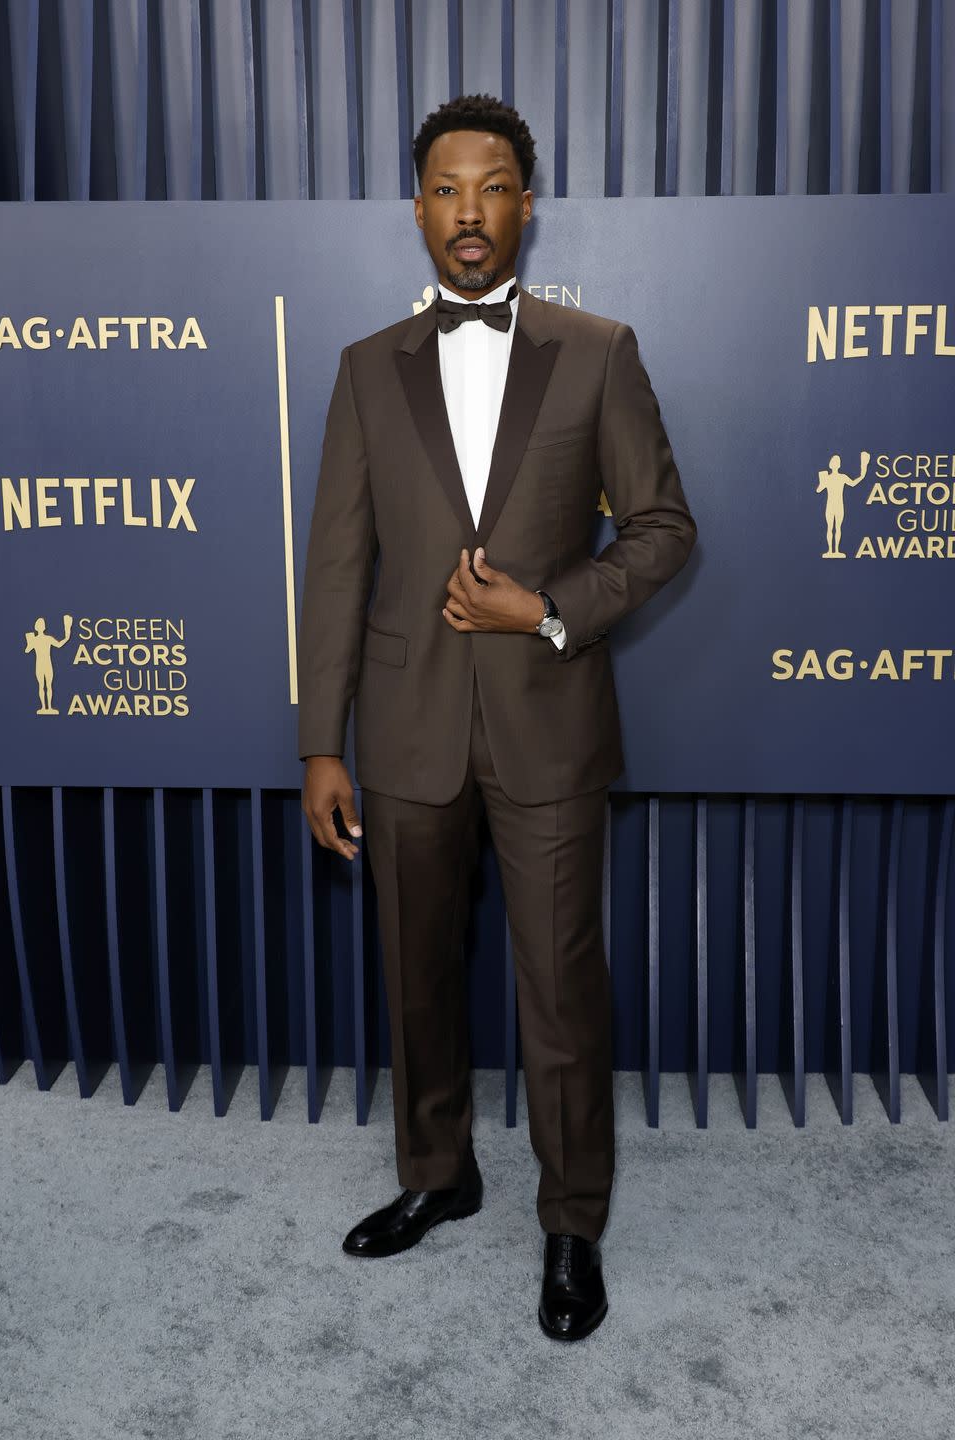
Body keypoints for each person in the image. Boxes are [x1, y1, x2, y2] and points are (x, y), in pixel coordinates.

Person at [297, 93, 696, 1342]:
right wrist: (322, 740)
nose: (470, 214)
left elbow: (664, 530)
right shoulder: (367, 370)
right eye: (446, 190)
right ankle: (438, 1175)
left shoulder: (601, 349)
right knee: (416, 978)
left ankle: (572, 1220)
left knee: (560, 987)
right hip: (406, 734)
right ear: (418, 207)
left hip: (551, 727)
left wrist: (549, 608)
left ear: (527, 201)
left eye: (494, 187)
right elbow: (337, 569)